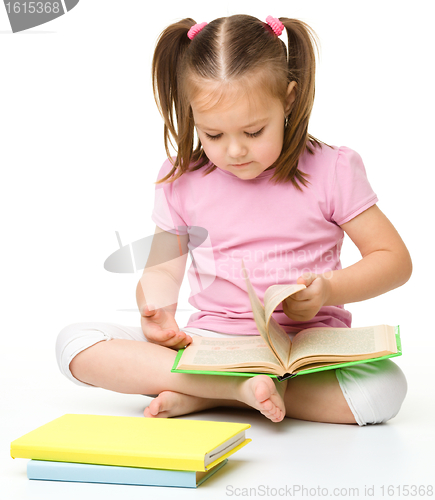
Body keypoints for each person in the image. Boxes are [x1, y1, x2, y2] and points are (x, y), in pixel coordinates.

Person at [56, 15, 412, 425]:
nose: (235, 151)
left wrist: (328, 289)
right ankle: (233, 388)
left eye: (254, 131)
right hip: (212, 344)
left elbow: (394, 259)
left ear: (289, 99)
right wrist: (154, 307)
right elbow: (162, 271)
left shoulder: (332, 169)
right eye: (213, 135)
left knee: (384, 390)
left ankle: (207, 392)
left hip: (303, 351)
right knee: (75, 343)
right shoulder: (181, 178)